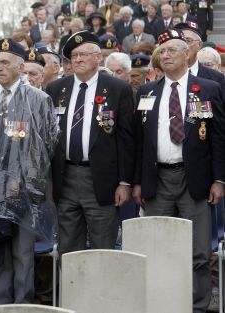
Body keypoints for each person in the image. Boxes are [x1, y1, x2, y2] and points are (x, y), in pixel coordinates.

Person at [133, 29, 225, 313]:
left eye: (173, 49)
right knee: (159, 245)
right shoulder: (147, 91)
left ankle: (196, 305)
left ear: (188, 54)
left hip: (194, 179)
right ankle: (162, 302)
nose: (167, 55)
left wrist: (219, 179)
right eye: (162, 52)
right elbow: (139, 142)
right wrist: (137, 182)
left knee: (198, 250)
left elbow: (219, 137)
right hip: (157, 179)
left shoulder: (207, 89)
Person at [0, 38, 58, 305]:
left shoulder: (38, 100)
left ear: (20, 67)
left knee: (22, 254)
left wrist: (22, 180)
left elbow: (45, 147)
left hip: (23, 191)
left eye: (5, 63)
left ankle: (22, 306)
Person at [46, 30, 135, 256]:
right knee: (68, 248)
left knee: (102, 247)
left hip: (101, 180)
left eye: (84, 54)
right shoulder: (57, 89)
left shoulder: (117, 89)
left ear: (98, 58)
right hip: (65, 178)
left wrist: (124, 182)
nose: (77, 60)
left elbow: (126, 140)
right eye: (74, 56)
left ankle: (101, 292)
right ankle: (71, 291)